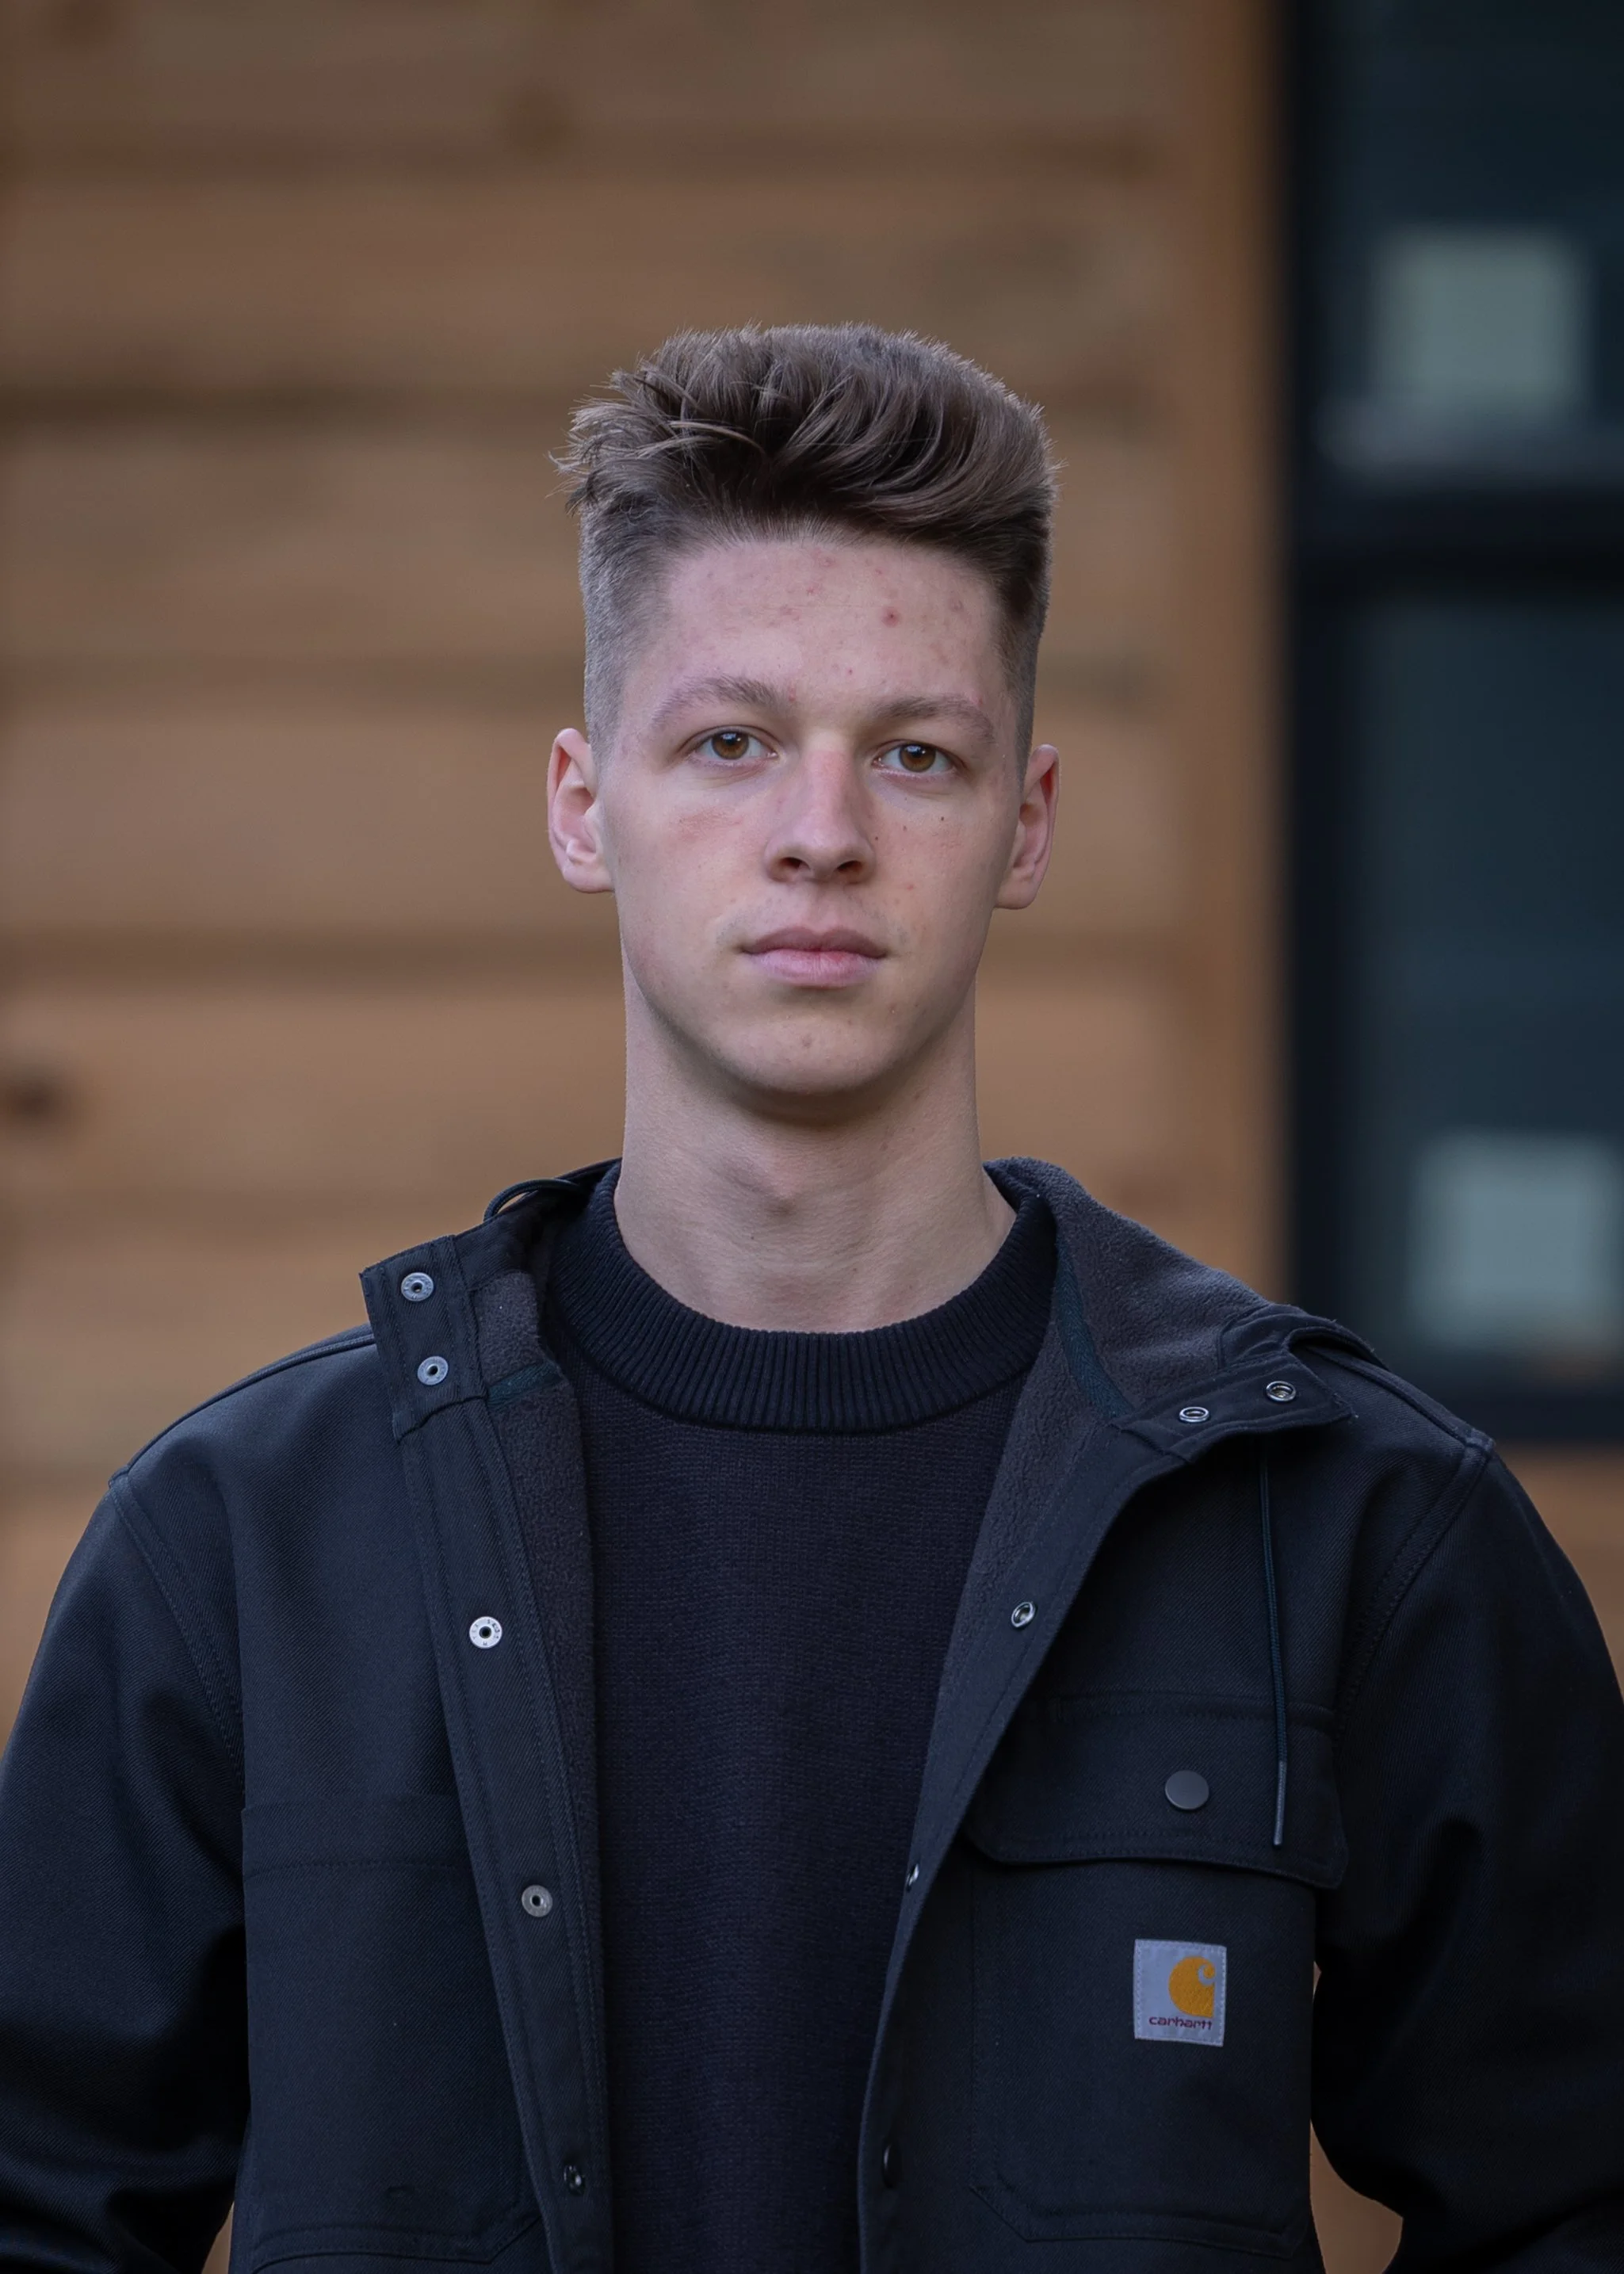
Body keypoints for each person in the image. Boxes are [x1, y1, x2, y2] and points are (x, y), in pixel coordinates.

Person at [0, 324, 1619, 2274]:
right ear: (584, 805)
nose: (822, 833)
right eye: (732, 739)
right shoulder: (243, 1544)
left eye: (914, 754)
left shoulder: (1354, 1524)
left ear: (1022, 823)